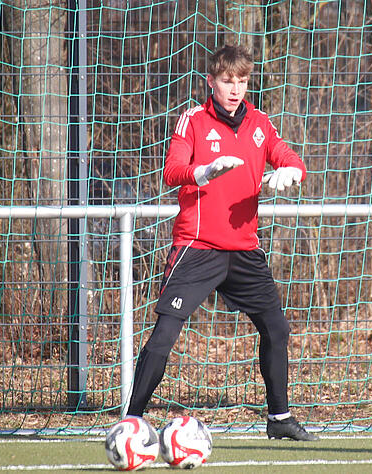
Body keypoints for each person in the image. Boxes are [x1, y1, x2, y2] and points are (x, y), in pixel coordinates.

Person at [123, 44, 317, 441]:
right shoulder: (192, 120)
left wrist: (293, 172)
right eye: (227, 81)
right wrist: (204, 170)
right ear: (210, 82)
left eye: (242, 81)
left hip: (244, 249)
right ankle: (132, 422)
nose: (234, 89)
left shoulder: (260, 122)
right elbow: (172, 171)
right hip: (198, 247)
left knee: (276, 329)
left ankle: (279, 419)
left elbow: (288, 156)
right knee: (164, 335)